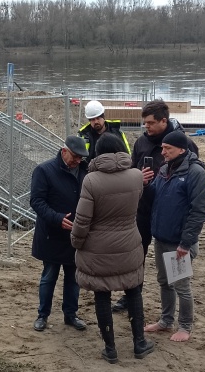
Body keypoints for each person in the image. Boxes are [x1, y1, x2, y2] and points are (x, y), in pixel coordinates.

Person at [70, 134, 154, 363]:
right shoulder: (137, 176)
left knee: (102, 294)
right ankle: (139, 343)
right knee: (134, 290)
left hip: (98, 248)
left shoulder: (91, 180)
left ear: (98, 152)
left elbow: (83, 219)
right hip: (129, 243)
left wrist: (76, 242)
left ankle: (111, 348)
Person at [112, 99, 199, 313]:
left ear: (164, 121)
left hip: (170, 214)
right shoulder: (141, 143)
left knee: (175, 267)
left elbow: (193, 181)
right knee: (136, 255)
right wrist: (138, 178)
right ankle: (132, 294)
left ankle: (181, 316)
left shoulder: (185, 145)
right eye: (144, 123)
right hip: (143, 209)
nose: (146, 127)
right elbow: (131, 170)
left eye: (150, 123)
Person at [144, 130, 205, 342]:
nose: (163, 152)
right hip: (161, 238)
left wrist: (186, 243)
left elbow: (198, 212)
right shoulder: (164, 169)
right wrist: (145, 185)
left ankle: (185, 326)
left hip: (179, 242)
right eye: (162, 148)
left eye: (167, 149)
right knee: (164, 281)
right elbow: (155, 196)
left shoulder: (195, 174)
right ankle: (166, 320)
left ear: (181, 149)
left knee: (181, 285)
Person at [30, 135, 90, 332]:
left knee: (73, 278)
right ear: (64, 151)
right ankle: (42, 315)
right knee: (49, 276)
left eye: (81, 158)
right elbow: (37, 201)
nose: (77, 161)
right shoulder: (44, 171)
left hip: (75, 235)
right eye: (75, 156)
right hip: (52, 235)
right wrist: (56, 218)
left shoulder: (85, 171)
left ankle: (70, 314)